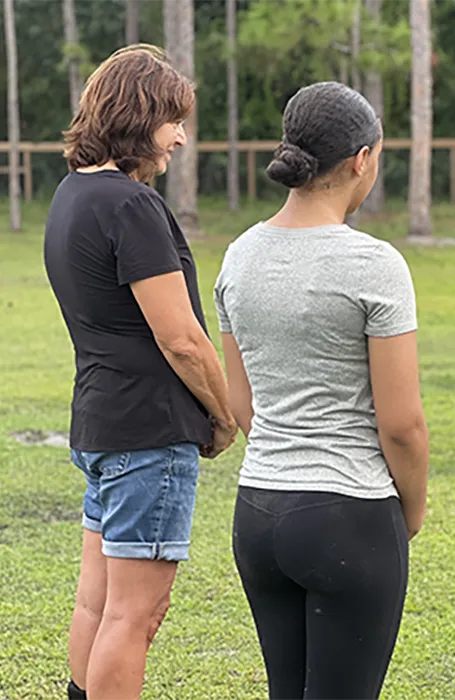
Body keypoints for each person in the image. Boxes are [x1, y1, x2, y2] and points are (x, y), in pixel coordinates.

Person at [214, 81, 430, 700]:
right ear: (362, 159)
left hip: (257, 515)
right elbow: (402, 425)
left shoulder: (239, 257)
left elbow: (242, 404)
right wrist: (407, 513)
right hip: (350, 516)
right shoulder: (374, 265)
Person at [43, 45, 237, 700]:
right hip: (148, 435)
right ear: (139, 115)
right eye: (172, 121)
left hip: (100, 427)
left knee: (96, 608)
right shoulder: (132, 206)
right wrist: (222, 411)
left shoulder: (71, 195)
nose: (181, 136)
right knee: (136, 616)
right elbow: (181, 338)